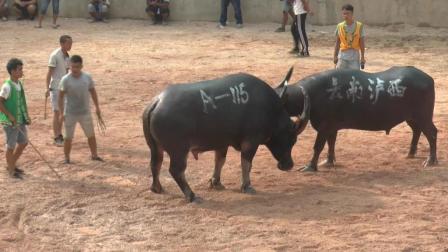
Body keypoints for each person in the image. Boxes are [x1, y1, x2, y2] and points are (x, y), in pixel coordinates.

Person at [58, 55, 103, 164]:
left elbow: (93, 91)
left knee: (91, 135)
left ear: (81, 66)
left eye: (77, 67)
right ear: (69, 66)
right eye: (73, 67)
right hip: (70, 113)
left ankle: (94, 155)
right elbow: (60, 96)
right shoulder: (65, 80)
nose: (75, 69)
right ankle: (67, 158)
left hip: (85, 112)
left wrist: (97, 107)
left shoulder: (87, 77)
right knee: (68, 137)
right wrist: (61, 113)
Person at [0, 58, 31, 179]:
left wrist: (26, 116)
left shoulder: (19, 84)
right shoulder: (7, 86)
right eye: (19, 69)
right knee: (11, 146)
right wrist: (9, 115)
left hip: (19, 120)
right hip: (10, 122)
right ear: (12, 71)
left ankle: (11, 164)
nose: (22, 71)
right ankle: (11, 170)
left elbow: (22, 102)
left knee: (23, 142)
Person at [46, 35, 72, 146]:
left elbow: (66, 72)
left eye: (71, 43)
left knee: (63, 113)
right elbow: (49, 73)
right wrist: (47, 88)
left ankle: (59, 134)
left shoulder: (67, 56)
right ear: (62, 44)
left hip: (63, 87)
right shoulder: (55, 56)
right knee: (57, 112)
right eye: (68, 43)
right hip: (56, 87)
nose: (70, 45)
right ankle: (57, 136)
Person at [333, 4, 366, 70]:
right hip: (342, 56)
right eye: (344, 14)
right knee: (339, 75)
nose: (345, 16)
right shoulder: (340, 26)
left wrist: (362, 57)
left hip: (354, 57)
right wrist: (335, 56)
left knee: (355, 76)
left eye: (347, 13)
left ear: (352, 14)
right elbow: (337, 43)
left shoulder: (359, 26)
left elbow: (362, 43)